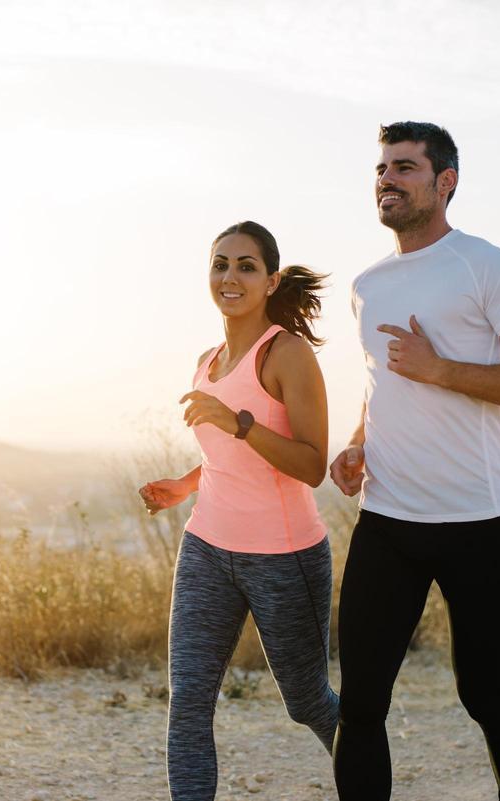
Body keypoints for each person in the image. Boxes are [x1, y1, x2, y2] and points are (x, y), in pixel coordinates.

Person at [330, 122, 500, 801]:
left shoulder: (486, 266)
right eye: (381, 169)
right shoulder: (368, 284)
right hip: (388, 521)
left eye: (404, 167)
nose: (386, 179)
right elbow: (382, 382)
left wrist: (441, 369)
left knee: (485, 691)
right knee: (361, 702)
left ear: (445, 182)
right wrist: (358, 441)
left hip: (478, 521)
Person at [139, 220, 338, 801]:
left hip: (284, 557)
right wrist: (185, 484)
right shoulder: (207, 361)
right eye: (220, 263)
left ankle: (366, 775)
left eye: (246, 266)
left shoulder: (287, 354)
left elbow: (310, 465)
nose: (230, 276)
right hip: (206, 548)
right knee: (189, 704)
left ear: (271, 281)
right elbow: (228, 459)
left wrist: (239, 423)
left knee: (306, 701)